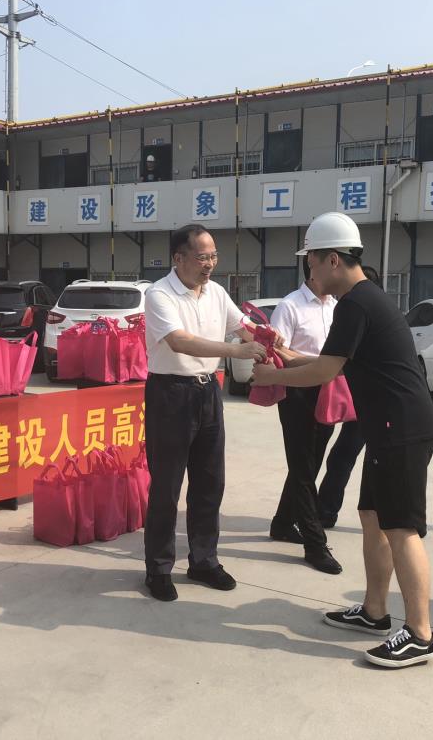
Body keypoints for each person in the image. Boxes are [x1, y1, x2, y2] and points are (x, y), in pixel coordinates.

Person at [253, 212, 433, 668]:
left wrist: (271, 376)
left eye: (312, 262)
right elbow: (328, 359)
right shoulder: (362, 299)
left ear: (333, 259)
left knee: (402, 528)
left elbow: (324, 371)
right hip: (389, 428)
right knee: (372, 517)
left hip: (401, 430)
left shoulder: (356, 303)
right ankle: (375, 611)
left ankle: (421, 634)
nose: (310, 271)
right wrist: (283, 355)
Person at [142, 223, 267, 602]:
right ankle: (158, 569)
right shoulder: (160, 294)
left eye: (213, 256)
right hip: (170, 394)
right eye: (202, 257)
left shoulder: (216, 292)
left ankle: (203, 560)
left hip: (208, 392)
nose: (209, 264)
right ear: (178, 258)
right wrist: (235, 351)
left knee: (210, 483)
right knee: (166, 487)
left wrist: (266, 339)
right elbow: (179, 341)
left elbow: (241, 326)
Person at [266, 256, 341, 574]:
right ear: (314, 269)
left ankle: (283, 523)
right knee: (302, 467)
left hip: (328, 389)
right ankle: (315, 543)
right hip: (297, 392)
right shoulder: (290, 306)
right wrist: (315, 364)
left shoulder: (336, 305)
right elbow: (276, 351)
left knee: (310, 463)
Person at [316, 265, 381, 528]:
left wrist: (279, 373)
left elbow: (328, 366)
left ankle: (326, 512)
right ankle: (325, 512)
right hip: (363, 402)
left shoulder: (358, 312)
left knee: (350, 457)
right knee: (343, 456)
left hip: (378, 407)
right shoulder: (373, 310)